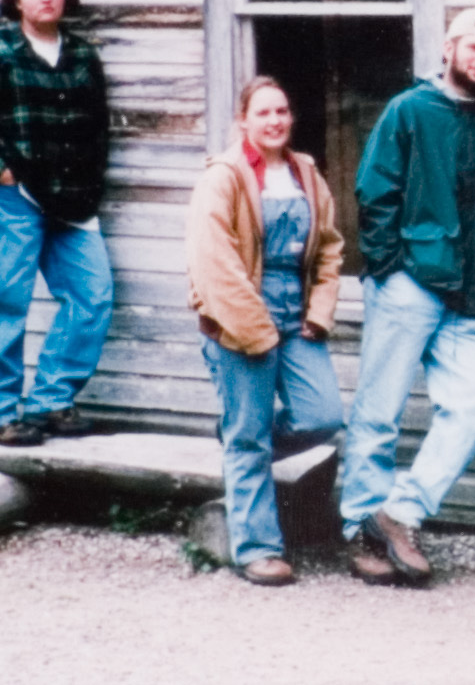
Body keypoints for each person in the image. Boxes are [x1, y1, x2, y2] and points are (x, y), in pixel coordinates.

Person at [340, 7, 475, 588]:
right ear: (449, 49)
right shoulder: (410, 111)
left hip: (465, 296)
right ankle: (357, 533)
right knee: (379, 410)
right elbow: (374, 192)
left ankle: (401, 512)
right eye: (474, 48)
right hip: (410, 282)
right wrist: (389, 267)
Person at [0, 0, 113, 447]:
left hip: (72, 199)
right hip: (8, 197)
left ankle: (50, 400)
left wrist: (90, 180)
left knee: (93, 294)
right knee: (4, 301)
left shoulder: (82, 57)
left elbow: (99, 129)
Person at [187, 76, 345, 587]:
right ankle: (257, 549)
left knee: (322, 414)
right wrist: (256, 330)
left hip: (295, 317)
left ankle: (238, 436)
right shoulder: (224, 177)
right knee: (251, 440)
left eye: (282, 111)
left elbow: (329, 248)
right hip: (239, 319)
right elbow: (215, 263)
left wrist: (317, 313)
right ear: (244, 121)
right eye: (263, 113)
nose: (275, 121)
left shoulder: (305, 174)